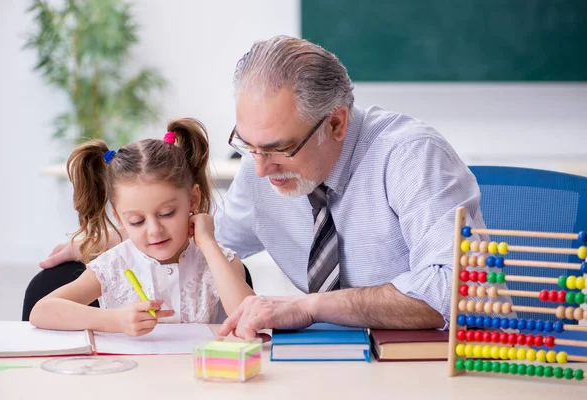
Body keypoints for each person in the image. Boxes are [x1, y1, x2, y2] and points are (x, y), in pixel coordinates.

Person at [27, 36, 484, 340]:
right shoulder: (262, 165)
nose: (260, 171)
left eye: (279, 149)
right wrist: (117, 234)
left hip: (423, 359)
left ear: (337, 123)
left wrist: (309, 307)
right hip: (329, 363)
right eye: (249, 146)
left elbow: (454, 287)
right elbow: (206, 233)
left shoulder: (410, 156)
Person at [29, 118, 255, 336]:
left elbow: (251, 319)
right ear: (119, 218)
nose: (154, 230)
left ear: (193, 199)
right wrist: (115, 320)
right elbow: (42, 311)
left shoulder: (219, 259)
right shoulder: (115, 264)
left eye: (167, 213)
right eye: (137, 221)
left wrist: (208, 243)